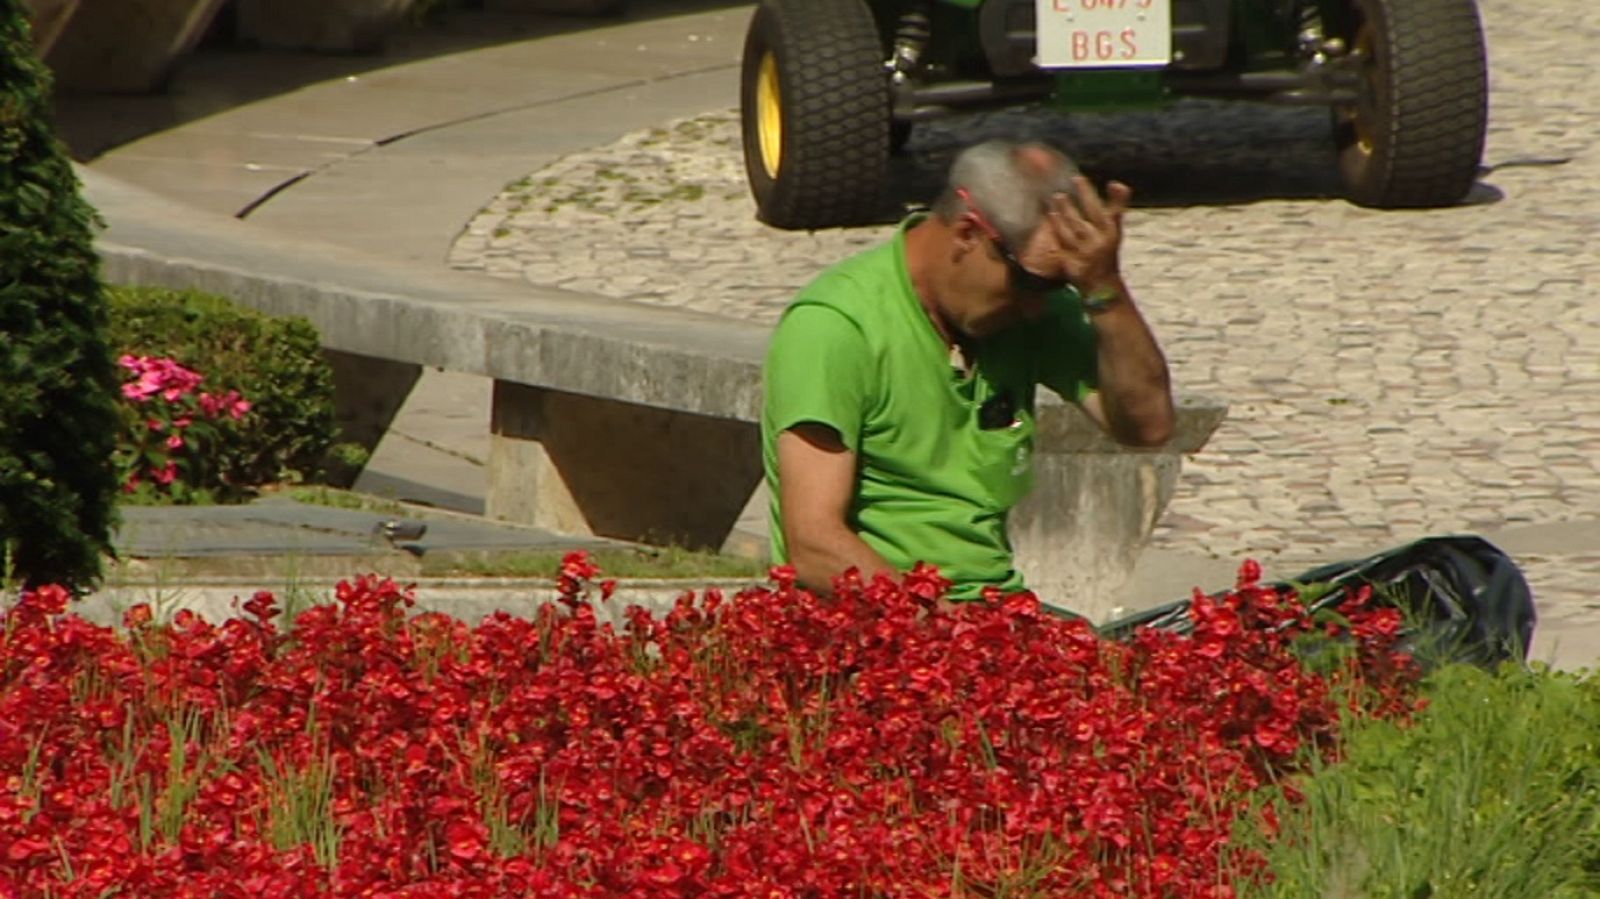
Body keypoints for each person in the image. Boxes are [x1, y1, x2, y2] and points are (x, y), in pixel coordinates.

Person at [760, 139, 1175, 599]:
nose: (1038, 307)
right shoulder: (836, 327)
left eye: (1061, 286)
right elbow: (814, 544)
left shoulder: (1029, 310)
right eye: (1031, 283)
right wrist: (946, 640)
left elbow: (1148, 426)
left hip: (992, 615)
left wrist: (1103, 289)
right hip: (879, 628)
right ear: (967, 234)